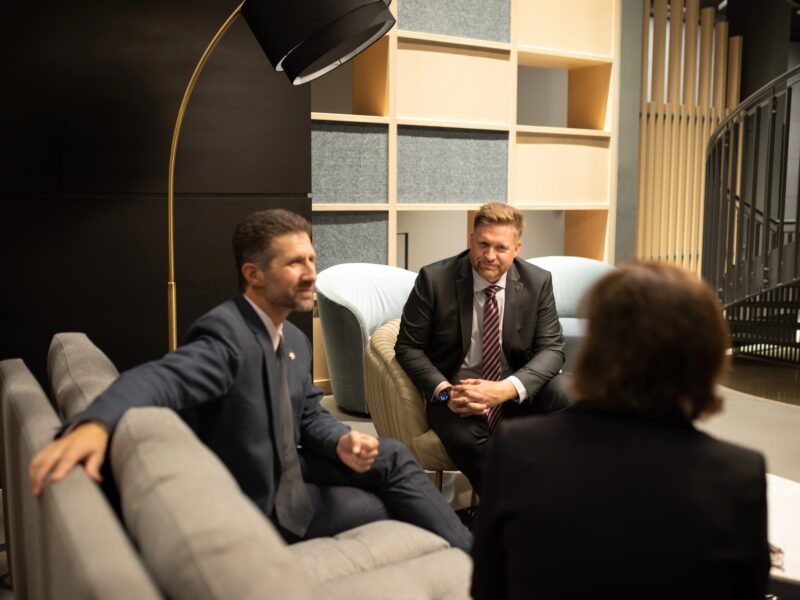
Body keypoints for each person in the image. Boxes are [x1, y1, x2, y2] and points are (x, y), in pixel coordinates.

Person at [30, 209, 471, 552]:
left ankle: (473, 559)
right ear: (253, 274)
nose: (311, 273)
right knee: (392, 503)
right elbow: (159, 378)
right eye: (295, 263)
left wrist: (340, 441)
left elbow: (307, 416)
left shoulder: (293, 338)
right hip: (268, 503)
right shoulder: (226, 336)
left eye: (312, 259)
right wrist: (94, 423)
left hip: (292, 466)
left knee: (390, 456)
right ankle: (481, 569)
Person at [471, 262, 770, 599]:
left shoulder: (518, 451)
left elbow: (487, 589)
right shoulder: (738, 476)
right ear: (707, 357)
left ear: (594, 349)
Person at [395, 203, 569, 495]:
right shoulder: (434, 280)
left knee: (570, 393)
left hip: (513, 392)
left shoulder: (537, 281)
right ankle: (512, 515)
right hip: (459, 395)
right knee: (468, 440)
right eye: (482, 244)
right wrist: (446, 392)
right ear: (470, 239)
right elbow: (408, 347)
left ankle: (559, 493)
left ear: (516, 248)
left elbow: (552, 349)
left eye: (500, 247)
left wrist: (505, 389)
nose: (489, 256)